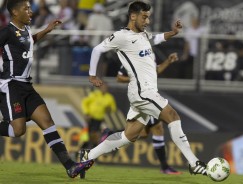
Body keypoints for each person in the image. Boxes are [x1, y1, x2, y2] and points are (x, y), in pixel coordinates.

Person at [83, 0, 207, 176]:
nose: (147, 21)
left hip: (144, 92)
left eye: (148, 17)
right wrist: (92, 75)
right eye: (144, 17)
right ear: (133, 16)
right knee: (172, 116)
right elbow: (97, 49)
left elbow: (155, 38)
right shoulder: (121, 36)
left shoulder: (143, 35)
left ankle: (88, 155)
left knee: (129, 136)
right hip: (142, 91)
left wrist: (172, 33)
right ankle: (194, 163)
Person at [0, 0, 93, 178]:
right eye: (26, 9)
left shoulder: (25, 29)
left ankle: (70, 166)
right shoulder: (6, 32)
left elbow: (29, 42)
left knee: (47, 122)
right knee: (18, 131)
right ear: (14, 12)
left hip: (26, 85)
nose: (30, 11)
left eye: (29, 8)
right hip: (11, 85)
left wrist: (46, 30)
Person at [111, 53, 182, 175]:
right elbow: (119, 77)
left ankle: (111, 134)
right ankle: (165, 167)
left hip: (151, 97)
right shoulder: (131, 59)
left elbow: (155, 71)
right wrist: (135, 78)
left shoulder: (149, 56)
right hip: (142, 99)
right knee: (153, 130)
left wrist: (168, 61)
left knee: (145, 133)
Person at [81, 83, 117, 149]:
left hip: (99, 119)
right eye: (103, 87)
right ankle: (82, 150)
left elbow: (113, 108)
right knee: (86, 136)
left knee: (94, 135)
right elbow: (84, 102)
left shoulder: (109, 97)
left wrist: (109, 109)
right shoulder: (94, 94)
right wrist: (86, 113)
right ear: (100, 88)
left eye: (106, 88)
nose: (104, 89)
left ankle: (90, 150)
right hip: (90, 118)